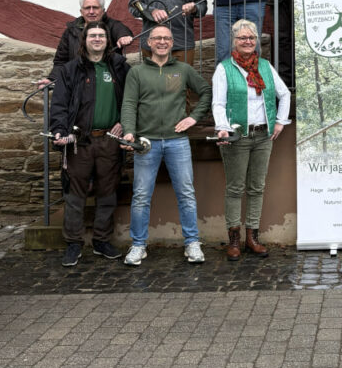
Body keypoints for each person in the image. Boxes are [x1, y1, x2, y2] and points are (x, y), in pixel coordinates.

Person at [120, 26, 212, 266]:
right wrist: (129, 131)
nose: (162, 42)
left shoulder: (183, 69)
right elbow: (129, 104)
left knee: (186, 193)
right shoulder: (137, 72)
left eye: (167, 38)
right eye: (157, 38)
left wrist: (194, 118)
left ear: (172, 43)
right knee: (141, 196)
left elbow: (206, 92)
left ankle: (192, 242)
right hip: (146, 143)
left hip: (177, 141)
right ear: (149, 43)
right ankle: (138, 245)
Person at [50, 22, 129, 267]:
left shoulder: (119, 67)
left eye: (101, 35)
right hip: (79, 141)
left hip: (110, 140)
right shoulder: (70, 69)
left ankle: (101, 240)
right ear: (84, 40)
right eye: (92, 35)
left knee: (108, 192)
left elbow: (131, 99)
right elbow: (59, 104)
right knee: (74, 195)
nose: (97, 39)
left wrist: (124, 122)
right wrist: (60, 130)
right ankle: (73, 243)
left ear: (107, 40)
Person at [212, 19, 291, 260]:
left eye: (251, 38)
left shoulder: (265, 66)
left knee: (257, 187)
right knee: (235, 188)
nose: (247, 41)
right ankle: (234, 239)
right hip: (237, 136)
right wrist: (223, 128)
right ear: (234, 41)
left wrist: (280, 121)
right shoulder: (224, 69)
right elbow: (218, 103)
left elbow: (284, 94)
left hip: (263, 136)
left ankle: (252, 237)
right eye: (242, 38)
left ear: (256, 41)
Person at [42, 0, 132, 83]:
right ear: (81, 12)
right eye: (87, 8)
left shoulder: (112, 25)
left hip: (106, 80)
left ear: (103, 11)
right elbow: (61, 61)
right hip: (77, 82)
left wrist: (123, 36)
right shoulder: (71, 30)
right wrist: (52, 79)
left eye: (95, 8)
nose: (91, 11)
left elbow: (121, 30)